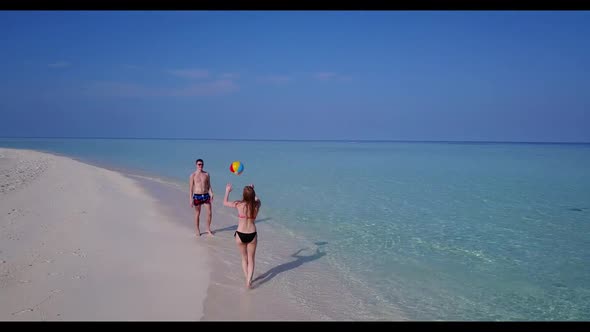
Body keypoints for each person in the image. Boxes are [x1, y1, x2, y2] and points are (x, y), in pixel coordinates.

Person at [223, 183, 261, 289]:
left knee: (244, 258)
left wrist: (227, 190)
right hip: (252, 234)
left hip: (240, 234)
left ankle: (246, 278)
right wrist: (252, 189)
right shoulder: (257, 205)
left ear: (243, 195)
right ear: (253, 195)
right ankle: (249, 281)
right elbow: (257, 199)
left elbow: (225, 202)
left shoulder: (239, 204)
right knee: (251, 259)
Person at [189, 158, 214, 237]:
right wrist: (190, 199)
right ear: (196, 165)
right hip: (197, 196)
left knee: (209, 213)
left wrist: (211, 193)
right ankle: (197, 229)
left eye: (202, 164)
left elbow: (209, 185)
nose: (201, 166)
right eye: (199, 164)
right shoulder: (193, 175)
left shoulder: (206, 174)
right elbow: (191, 188)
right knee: (197, 213)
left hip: (206, 195)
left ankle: (208, 229)